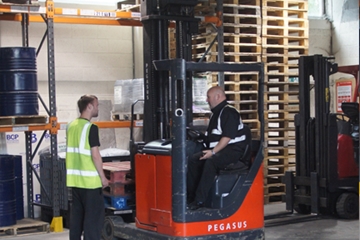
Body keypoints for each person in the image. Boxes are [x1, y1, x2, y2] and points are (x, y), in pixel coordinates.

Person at [187, 86, 251, 210]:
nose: (207, 100)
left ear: (217, 97)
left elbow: (227, 137)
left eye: (208, 97)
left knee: (211, 162)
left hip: (233, 151)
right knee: (193, 160)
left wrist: (212, 152)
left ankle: (200, 201)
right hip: (221, 149)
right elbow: (213, 136)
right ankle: (190, 197)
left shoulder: (229, 112)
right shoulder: (216, 114)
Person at [66, 95, 109, 240]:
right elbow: (95, 155)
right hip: (90, 184)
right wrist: (103, 177)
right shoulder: (91, 128)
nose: (97, 108)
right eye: (96, 105)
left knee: (76, 221)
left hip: (75, 183)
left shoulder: (70, 126)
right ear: (89, 106)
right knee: (93, 223)